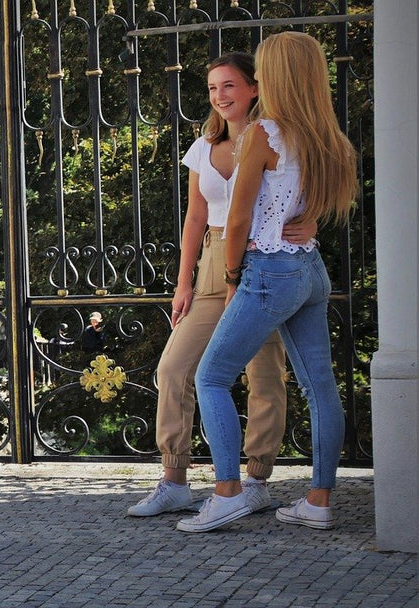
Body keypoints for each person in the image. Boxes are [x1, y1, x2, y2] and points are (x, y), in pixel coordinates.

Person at [178, 32, 357, 533]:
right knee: (319, 387)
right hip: (309, 269)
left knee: (211, 377)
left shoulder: (264, 133)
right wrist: (310, 221)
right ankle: (318, 500)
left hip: (268, 271)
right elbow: (317, 202)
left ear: (275, 75)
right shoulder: (324, 134)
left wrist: (233, 276)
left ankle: (227, 493)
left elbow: (237, 220)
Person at [127, 52, 317, 518]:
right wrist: (183, 283)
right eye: (213, 88)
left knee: (264, 373)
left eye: (229, 85)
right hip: (214, 262)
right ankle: (174, 479)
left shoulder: (278, 138)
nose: (219, 96)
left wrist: (312, 220)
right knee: (174, 367)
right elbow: (194, 218)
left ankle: (256, 480)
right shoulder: (203, 147)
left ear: (254, 88)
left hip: (264, 261)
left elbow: (307, 190)